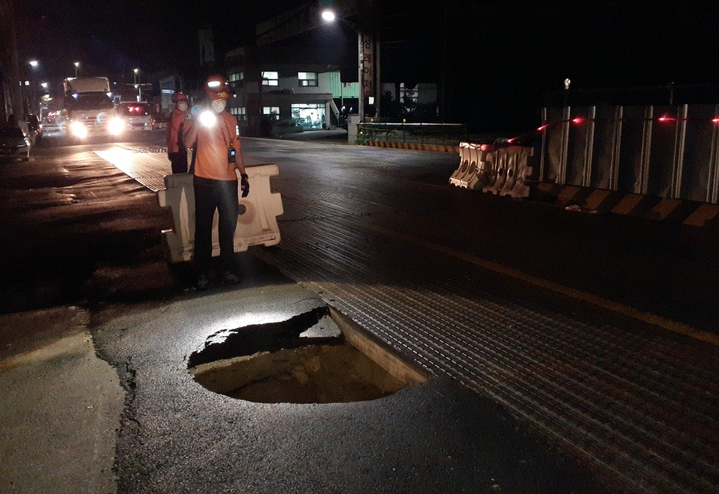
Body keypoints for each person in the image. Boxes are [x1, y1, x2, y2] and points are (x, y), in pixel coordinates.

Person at [182, 75, 249, 290]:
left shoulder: (231, 120)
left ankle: (227, 269)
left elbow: (236, 149)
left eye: (223, 96)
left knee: (227, 229)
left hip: (228, 182)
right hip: (204, 181)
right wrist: (198, 121)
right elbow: (188, 143)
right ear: (209, 98)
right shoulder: (198, 118)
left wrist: (244, 175)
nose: (220, 100)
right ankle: (202, 272)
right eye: (216, 96)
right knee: (203, 229)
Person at [166, 92, 189, 174]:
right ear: (176, 104)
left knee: (178, 175)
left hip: (174, 150)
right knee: (181, 175)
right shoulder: (179, 116)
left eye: (184, 102)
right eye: (181, 102)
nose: (184, 104)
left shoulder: (172, 115)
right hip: (178, 149)